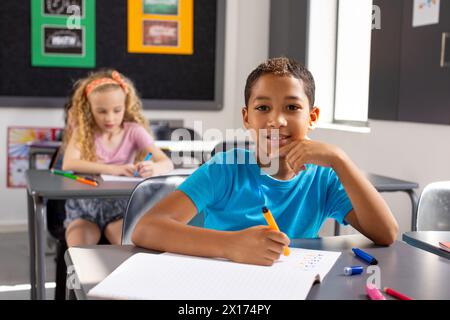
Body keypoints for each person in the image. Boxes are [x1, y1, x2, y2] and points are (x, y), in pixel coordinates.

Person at [132, 57, 398, 266]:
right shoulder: (225, 168)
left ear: (312, 117)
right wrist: (231, 245)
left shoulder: (323, 178)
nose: (276, 121)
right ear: (247, 118)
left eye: (292, 108)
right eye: (263, 108)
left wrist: (340, 160)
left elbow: (386, 233)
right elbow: (146, 229)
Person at [62, 69, 174, 247]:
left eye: (117, 110)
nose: (110, 118)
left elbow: (166, 162)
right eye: (101, 111)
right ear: (89, 109)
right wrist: (114, 169)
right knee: (79, 251)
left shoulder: (134, 131)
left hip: (121, 210)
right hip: (84, 210)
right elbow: (69, 163)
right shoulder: (83, 132)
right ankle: (75, 275)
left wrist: (155, 168)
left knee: (129, 249)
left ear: (126, 106)